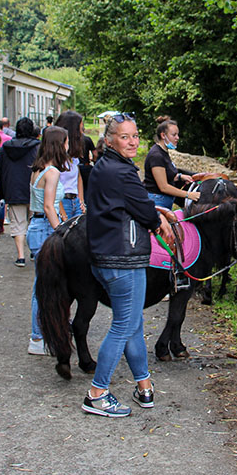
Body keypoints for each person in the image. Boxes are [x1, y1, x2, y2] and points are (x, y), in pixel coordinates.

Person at [83, 113, 174, 417]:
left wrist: (155, 210)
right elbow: (144, 212)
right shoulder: (121, 172)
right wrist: (159, 218)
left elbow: (130, 204)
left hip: (108, 254)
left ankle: (144, 386)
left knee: (133, 323)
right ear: (109, 139)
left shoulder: (105, 166)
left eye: (135, 136)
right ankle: (97, 392)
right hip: (123, 258)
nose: (133, 142)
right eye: (125, 137)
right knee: (124, 325)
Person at [26, 126, 68, 355]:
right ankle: (37, 336)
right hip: (43, 228)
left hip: (37, 226)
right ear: (58, 144)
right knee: (42, 286)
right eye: (66, 142)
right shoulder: (52, 172)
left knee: (43, 284)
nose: (68, 146)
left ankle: (43, 332)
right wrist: (62, 232)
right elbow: (48, 206)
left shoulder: (39, 169)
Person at [0, 117, 38, 267]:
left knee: (18, 223)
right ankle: (34, 251)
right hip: (33, 190)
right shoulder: (37, 147)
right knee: (34, 221)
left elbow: (0, 171)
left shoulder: (6, 147)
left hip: (13, 190)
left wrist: (2, 193)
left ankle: (21, 256)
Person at [143, 116, 200, 210]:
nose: (177, 138)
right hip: (158, 201)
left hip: (164, 200)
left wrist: (180, 176)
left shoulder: (163, 151)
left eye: (178, 134)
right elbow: (164, 187)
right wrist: (189, 195)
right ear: (163, 135)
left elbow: (165, 174)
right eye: (174, 135)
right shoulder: (156, 156)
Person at [55, 110, 87, 220]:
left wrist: (81, 200)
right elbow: (52, 185)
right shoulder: (55, 157)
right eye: (80, 129)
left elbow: (78, 177)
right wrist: (62, 212)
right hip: (62, 202)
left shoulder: (73, 156)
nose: (82, 132)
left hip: (75, 202)